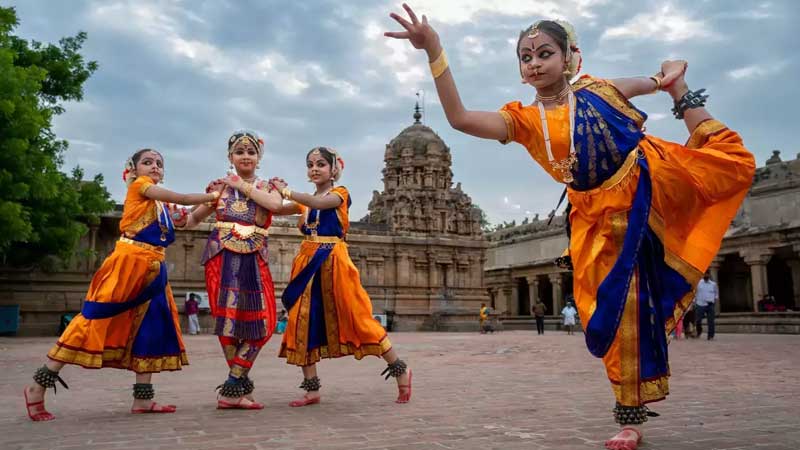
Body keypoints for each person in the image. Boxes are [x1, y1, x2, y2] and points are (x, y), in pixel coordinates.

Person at [386, 5, 754, 449]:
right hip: (595, 219)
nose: (535, 63)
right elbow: (460, 118)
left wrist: (667, 83)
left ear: (568, 57)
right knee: (608, 315)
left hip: (646, 184)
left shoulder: (600, 90)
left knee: (723, 168)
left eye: (544, 53)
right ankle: (630, 406)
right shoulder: (523, 121)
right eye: (526, 57)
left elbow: (644, 84)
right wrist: (435, 51)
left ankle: (629, 419)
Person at [23, 149, 220, 421]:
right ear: (134, 170)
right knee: (93, 320)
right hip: (128, 264)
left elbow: (190, 219)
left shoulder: (160, 207)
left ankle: (143, 398)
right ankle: (37, 387)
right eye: (147, 162)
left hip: (153, 269)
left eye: (159, 164)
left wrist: (213, 202)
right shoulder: (141, 188)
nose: (154, 167)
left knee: (150, 327)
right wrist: (213, 195)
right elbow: (185, 198)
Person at [271, 146, 412, 407]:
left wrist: (285, 190)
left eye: (321, 164)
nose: (315, 168)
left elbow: (318, 203)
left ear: (333, 169)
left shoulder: (339, 194)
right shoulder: (305, 201)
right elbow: (275, 207)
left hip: (333, 260)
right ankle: (312, 389)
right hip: (307, 261)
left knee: (357, 316)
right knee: (302, 320)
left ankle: (400, 369)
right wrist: (246, 188)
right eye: (311, 164)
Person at [177, 130, 284, 410]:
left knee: (264, 323)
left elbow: (275, 205)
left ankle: (234, 384)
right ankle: (236, 391)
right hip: (221, 257)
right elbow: (192, 219)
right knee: (227, 324)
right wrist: (171, 215)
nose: (245, 156)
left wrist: (241, 185)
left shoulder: (267, 187)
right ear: (230, 157)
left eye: (250, 152)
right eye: (239, 152)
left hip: (254, 258)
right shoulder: (218, 187)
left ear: (258, 158)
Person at [694, 272, 718, 340]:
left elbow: (716, 294)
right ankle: (699, 331)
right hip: (700, 304)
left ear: (709, 275)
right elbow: (694, 292)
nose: (706, 275)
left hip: (710, 304)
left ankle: (710, 335)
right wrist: (694, 302)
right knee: (698, 320)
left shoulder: (713, 284)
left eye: (707, 274)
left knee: (711, 321)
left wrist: (714, 302)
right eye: (704, 274)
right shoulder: (698, 283)